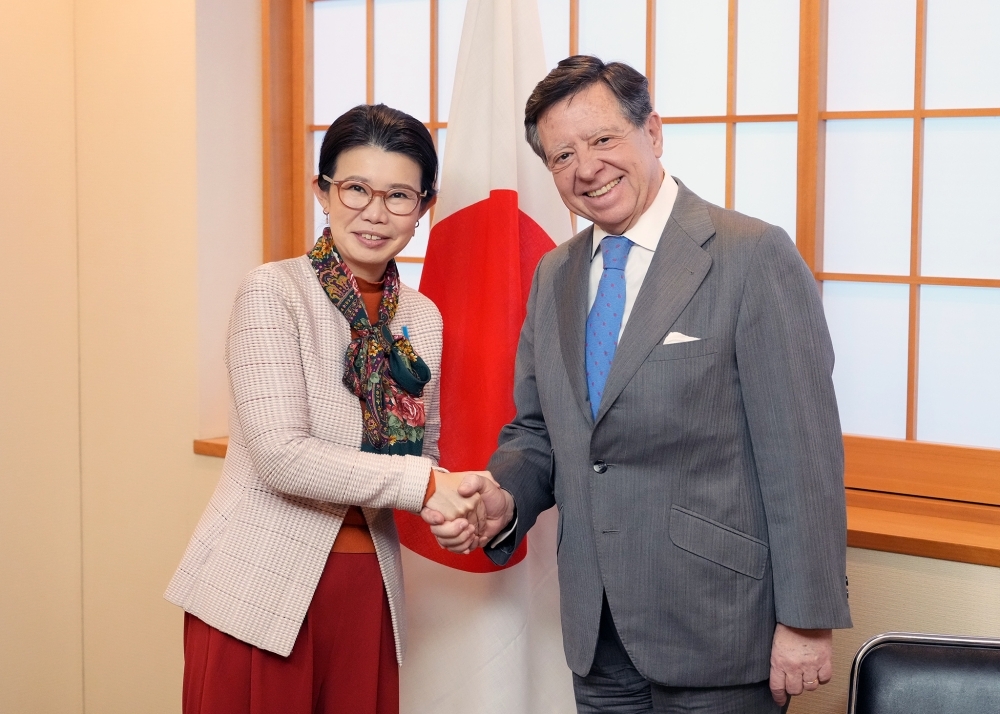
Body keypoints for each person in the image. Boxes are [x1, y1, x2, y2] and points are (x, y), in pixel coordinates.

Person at [424, 56, 852, 713]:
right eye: (562, 155)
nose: (586, 168)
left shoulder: (751, 256)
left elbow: (803, 455)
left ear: (652, 132)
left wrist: (807, 619)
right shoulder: (555, 276)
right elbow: (540, 430)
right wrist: (502, 498)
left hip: (720, 627)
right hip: (596, 628)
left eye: (602, 140)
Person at [166, 103, 484, 714]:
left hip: (369, 594)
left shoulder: (422, 317)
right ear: (323, 191)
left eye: (398, 196)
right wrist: (427, 484)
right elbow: (281, 458)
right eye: (355, 189)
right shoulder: (273, 291)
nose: (374, 212)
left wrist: (458, 511)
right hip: (255, 590)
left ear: (424, 208)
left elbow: (425, 455)